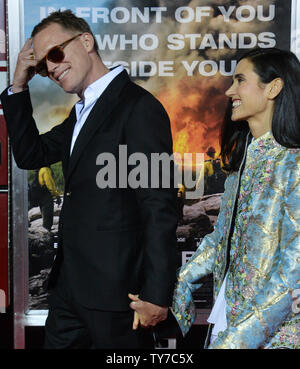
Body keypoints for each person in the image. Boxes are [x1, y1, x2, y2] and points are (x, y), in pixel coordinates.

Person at [0, 10, 178, 349]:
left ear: (86, 41)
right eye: (42, 66)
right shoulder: (82, 112)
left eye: (55, 53)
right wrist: (19, 85)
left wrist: (157, 294)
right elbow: (30, 154)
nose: (50, 69)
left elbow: (159, 206)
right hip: (69, 290)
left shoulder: (138, 108)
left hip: (116, 297)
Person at [171, 48, 300, 349]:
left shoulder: (293, 165)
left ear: (273, 87)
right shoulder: (242, 165)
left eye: (240, 80)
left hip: (272, 338)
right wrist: (178, 286)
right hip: (226, 323)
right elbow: (220, 242)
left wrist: (238, 340)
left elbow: (293, 271)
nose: (230, 91)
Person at [29, 166, 61, 231]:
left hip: (40, 197)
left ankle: (45, 232)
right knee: (48, 219)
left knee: (45, 217)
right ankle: (47, 235)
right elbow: (50, 185)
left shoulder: (39, 170)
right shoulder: (45, 169)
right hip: (46, 197)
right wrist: (56, 195)